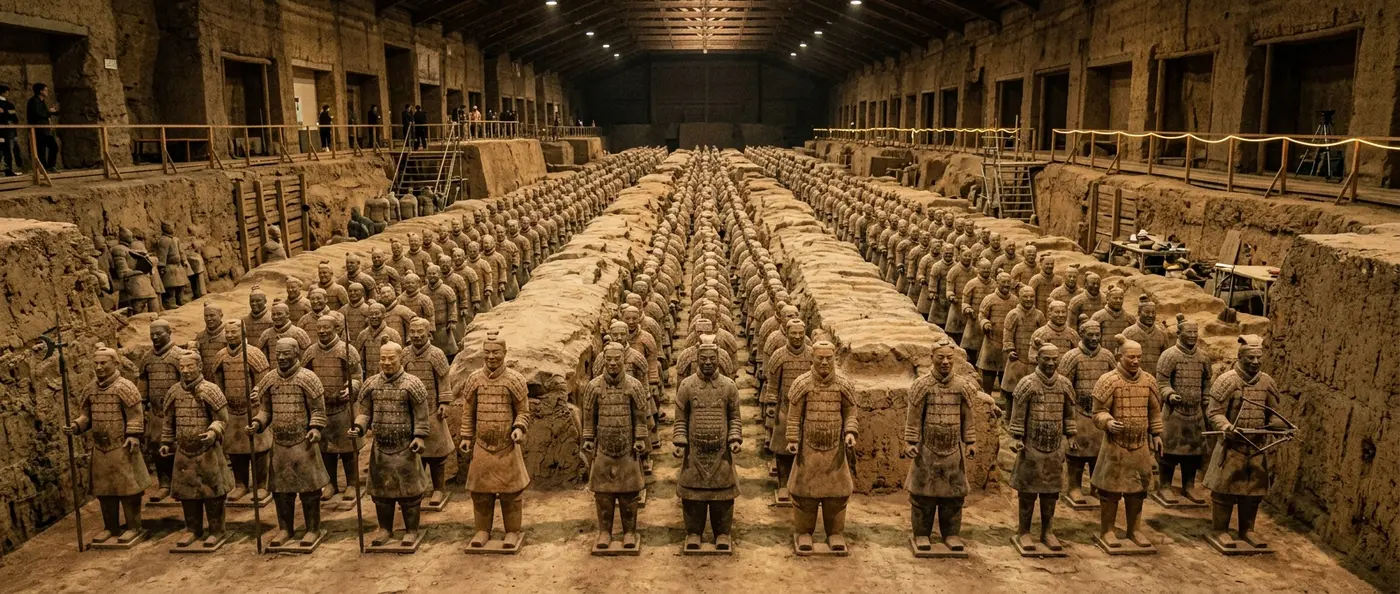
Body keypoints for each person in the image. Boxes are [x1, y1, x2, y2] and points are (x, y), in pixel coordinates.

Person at [27, 83, 59, 172]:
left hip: (44, 129)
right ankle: (44, 168)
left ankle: (49, 166)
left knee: (53, 147)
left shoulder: (41, 101)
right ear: (40, 91)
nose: (47, 92)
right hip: (39, 129)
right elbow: (39, 114)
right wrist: (50, 112)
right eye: (45, 90)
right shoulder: (34, 101)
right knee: (41, 149)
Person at [0, 84, 19, 176]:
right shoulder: (9, 104)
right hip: (5, 130)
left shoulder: (9, 104)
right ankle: (8, 170)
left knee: (6, 150)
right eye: (7, 92)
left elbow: (14, 118)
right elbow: (14, 118)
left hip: (7, 130)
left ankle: (8, 169)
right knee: (7, 151)